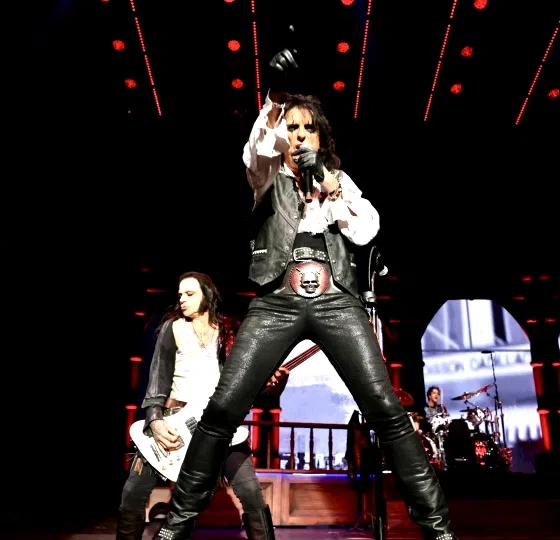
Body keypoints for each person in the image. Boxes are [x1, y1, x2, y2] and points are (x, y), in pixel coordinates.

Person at [156, 47, 456, 540]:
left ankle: (439, 529)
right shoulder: (267, 175)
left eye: (306, 128)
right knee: (223, 407)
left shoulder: (339, 181)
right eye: (290, 128)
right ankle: (177, 524)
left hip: (337, 299)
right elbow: (254, 151)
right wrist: (274, 99)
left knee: (386, 408)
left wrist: (331, 186)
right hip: (275, 300)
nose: (297, 135)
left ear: (321, 137)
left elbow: (367, 230)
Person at [116, 272, 289, 540]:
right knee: (132, 493)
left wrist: (275, 386)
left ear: (207, 295)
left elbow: (247, 390)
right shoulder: (173, 328)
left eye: (189, 293)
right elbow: (158, 378)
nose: (182, 299)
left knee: (252, 495)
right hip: (175, 421)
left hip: (219, 425)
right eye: (180, 295)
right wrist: (155, 419)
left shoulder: (230, 332)